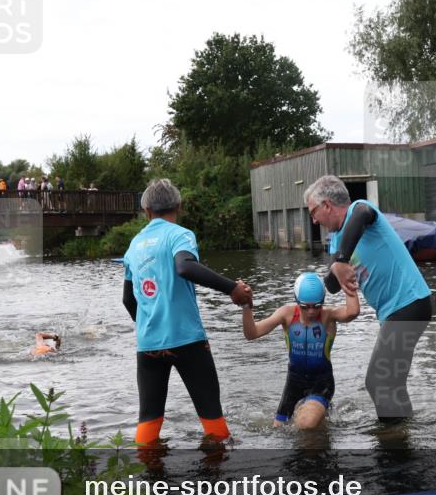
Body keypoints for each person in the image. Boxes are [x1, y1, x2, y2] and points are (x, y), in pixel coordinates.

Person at [122, 178, 252, 447]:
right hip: (187, 340)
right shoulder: (180, 235)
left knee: (148, 420)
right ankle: (215, 482)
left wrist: (149, 325)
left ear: (146, 211)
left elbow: (127, 299)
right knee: (211, 417)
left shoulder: (133, 245)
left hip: (148, 345)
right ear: (178, 206)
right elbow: (185, 268)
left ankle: (148, 481)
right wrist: (232, 289)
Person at [303, 175, 433, 422]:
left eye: (313, 212)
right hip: (396, 311)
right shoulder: (337, 240)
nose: (314, 219)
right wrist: (329, 273)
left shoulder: (359, 210)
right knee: (390, 382)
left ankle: (395, 444)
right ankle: (405, 432)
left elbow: (363, 213)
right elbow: (331, 285)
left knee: (379, 381)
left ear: (327, 205)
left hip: (409, 303)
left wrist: (341, 261)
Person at [241, 272, 359, 428]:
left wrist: (347, 282)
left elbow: (352, 312)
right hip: (294, 382)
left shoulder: (328, 316)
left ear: (323, 301)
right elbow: (252, 333)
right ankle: (319, 412)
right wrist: (246, 305)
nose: (311, 311)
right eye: (305, 306)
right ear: (297, 301)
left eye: (317, 306)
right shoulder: (286, 314)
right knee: (278, 429)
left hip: (321, 381)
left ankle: (318, 407)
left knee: (306, 423)